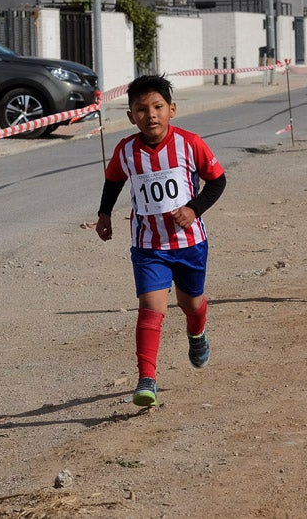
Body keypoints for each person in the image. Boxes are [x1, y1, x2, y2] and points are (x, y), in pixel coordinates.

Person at [95, 75, 227, 408]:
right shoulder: (126, 150)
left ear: (172, 109)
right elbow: (113, 181)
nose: (150, 115)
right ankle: (146, 378)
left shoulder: (190, 143)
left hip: (189, 244)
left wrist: (194, 208)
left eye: (157, 107)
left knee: (191, 304)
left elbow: (217, 181)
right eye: (141, 109)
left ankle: (197, 333)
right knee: (151, 309)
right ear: (131, 116)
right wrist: (104, 214)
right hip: (148, 246)